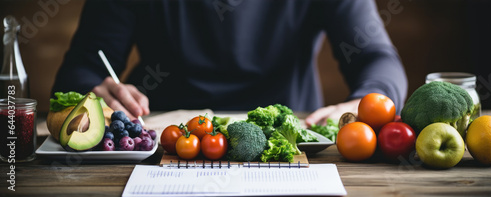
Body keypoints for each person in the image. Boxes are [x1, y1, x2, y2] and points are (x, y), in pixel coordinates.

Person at [52, 0, 407, 126]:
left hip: (292, 145)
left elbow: (376, 58)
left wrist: (370, 101)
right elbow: (82, 69)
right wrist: (94, 90)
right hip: (162, 145)